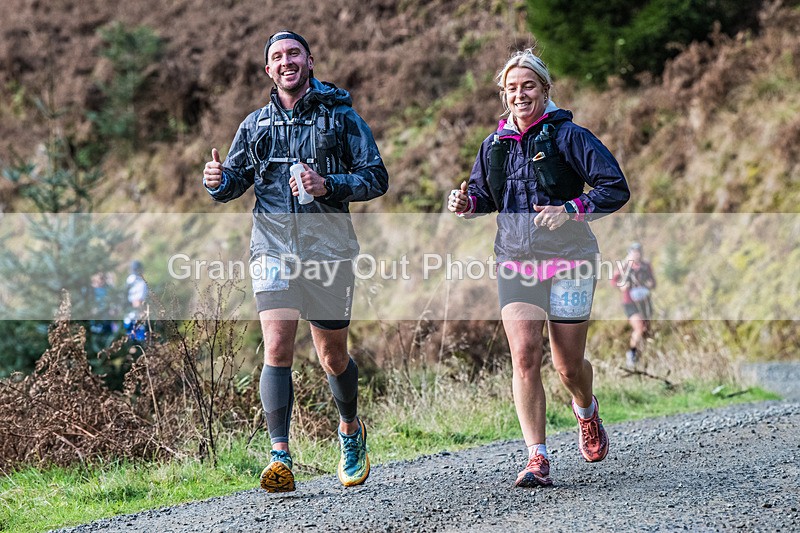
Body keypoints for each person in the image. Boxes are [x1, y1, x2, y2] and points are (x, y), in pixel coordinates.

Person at [203, 31, 388, 493]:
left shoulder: (341, 116)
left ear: (309, 60)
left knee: (332, 356)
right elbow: (232, 185)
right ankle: (280, 456)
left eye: (293, 54)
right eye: (277, 57)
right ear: (268, 70)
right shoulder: (255, 125)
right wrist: (216, 180)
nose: (286, 62)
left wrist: (329, 184)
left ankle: (350, 431)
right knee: (277, 346)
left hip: (329, 252)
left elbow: (376, 177)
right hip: (273, 249)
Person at [447, 49, 629, 487]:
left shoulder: (570, 136)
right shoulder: (493, 144)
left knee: (568, 366)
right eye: (511, 88)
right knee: (525, 355)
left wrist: (572, 208)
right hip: (516, 262)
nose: (520, 94)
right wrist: (467, 203)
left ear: (545, 89)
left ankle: (586, 410)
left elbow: (614, 187)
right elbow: (484, 195)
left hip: (570, 262)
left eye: (528, 85)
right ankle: (537, 457)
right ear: (504, 96)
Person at [612, 242, 656, 369]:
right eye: (634, 252)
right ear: (630, 253)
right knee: (639, 328)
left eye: (639, 252)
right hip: (630, 302)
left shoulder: (646, 266)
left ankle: (640, 357)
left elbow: (653, 283)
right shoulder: (625, 266)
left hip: (644, 302)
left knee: (646, 331)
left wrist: (648, 285)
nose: (637, 254)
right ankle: (631, 355)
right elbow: (614, 281)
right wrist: (621, 285)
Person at [124, 260, 148, 342]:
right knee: (139, 339)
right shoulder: (140, 282)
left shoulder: (129, 280)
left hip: (127, 314)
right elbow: (138, 301)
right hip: (135, 314)